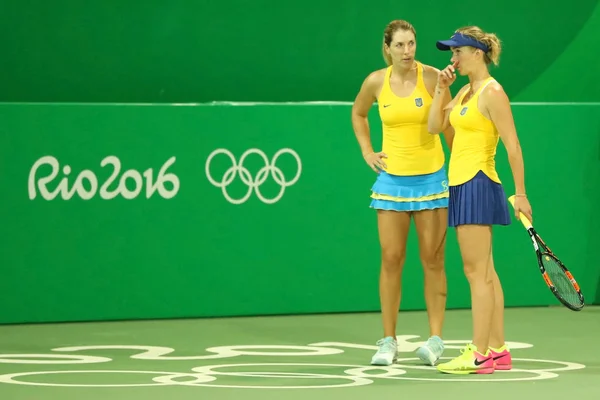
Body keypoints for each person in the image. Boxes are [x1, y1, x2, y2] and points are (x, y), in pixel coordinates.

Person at [428, 26, 533, 374]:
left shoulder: (492, 92)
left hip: (478, 182)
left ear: (476, 53)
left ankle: (479, 353)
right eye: (451, 53)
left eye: (457, 52)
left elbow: (514, 145)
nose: (452, 58)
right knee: (486, 272)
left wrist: (521, 193)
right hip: (460, 183)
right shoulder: (463, 93)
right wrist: (441, 89)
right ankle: (499, 350)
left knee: (475, 273)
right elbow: (435, 127)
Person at [351, 19, 455, 366]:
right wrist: (368, 151)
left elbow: (449, 124)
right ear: (387, 49)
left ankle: (436, 340)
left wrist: (460, 169)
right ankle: (388, 341)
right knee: (391, 260)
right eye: (400, 45)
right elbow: (359, 113)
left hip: (431, 180)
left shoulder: (432, 78)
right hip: (392, 183)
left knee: (433, 260)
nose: (407, 51)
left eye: (411, 43)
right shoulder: (375, 82)